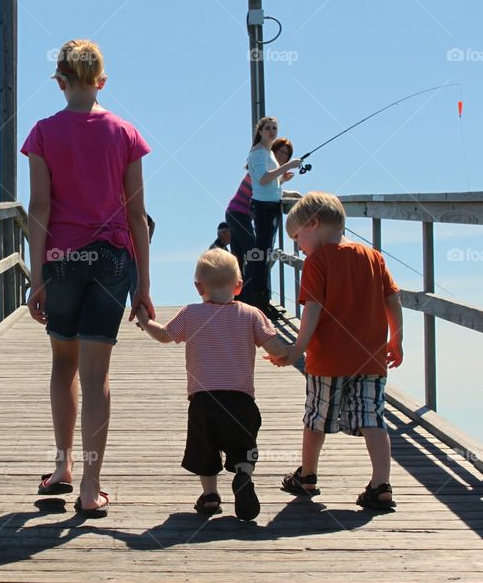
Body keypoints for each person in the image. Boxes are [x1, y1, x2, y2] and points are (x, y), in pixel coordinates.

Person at [23, 39, 154, 518]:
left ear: (59, 81)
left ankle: (63, 467)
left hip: (60, 260)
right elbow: (138, 216)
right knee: (97, 375)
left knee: (64, 365)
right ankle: (90, 487)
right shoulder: (125, 133)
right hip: (111, 262)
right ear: (101, 80)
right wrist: (143, 286)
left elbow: (40, 209)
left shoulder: (42, 134)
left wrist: (37, 277)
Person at [266, 192, 404, 510]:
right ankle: (381, 483)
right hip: (371, 358)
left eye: (298, 237)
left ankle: (308, 475)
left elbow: (312, 309)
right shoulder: (373, 257)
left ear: (314, 224)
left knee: (317, 418)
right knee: (373, 418)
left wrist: (296, 349)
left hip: (327, 359)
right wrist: (396, 339)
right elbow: (393, 300)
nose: (298, 245)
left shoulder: (318, 261)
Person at [133, 248, 289, 520]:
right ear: (238, 286)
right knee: (243, 446)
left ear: (198, 287)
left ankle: (209, 497)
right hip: (241, 401)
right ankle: (243, 476)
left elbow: (164, 336)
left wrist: (146, 321)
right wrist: (291, 350)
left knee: (204, 449)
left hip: (203, 401)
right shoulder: (252, 314)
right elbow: (276, 347)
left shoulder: (191, 314)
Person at [226, 137, 300, 312]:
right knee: (255, 255)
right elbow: (263, 184)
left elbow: (270, 189)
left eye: (287, 155)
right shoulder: (260, 168)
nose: (283, 156)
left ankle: (240, 300)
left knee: (243, 258)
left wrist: (283, 183)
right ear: (272, 152)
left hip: (236, 214)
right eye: (280, 152)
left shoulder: (268, 173)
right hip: (239, 214)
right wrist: (285, 173)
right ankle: (249, 302)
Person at [245, 118, 301, 315]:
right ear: (260, 131)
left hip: (269, 205)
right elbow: (262, 178)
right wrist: (288, 166)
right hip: (263, 208)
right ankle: (260, 304)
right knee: (262, 255)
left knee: (264, 253)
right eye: (267, 128)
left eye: (274, 128)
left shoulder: (266, 152)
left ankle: (262, 301)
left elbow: (268, 181)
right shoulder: (260, 152)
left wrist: (281, 180)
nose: (271, 131)